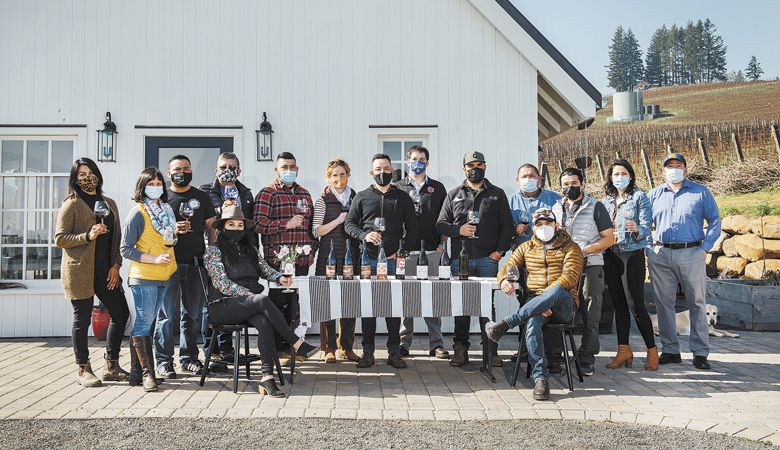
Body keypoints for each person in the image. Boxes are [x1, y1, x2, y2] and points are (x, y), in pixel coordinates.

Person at [204, 203, 319, 397]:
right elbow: (222, 284)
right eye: (231, 225)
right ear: (223, 228)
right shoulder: (214, 251)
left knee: (264, 320)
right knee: (262, 301)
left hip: (249, 305)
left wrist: (279, 277)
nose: (236, 229)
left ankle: (267, 377)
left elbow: (265, 269)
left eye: (240, 226)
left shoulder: (250, 250)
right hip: (222, 305)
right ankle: (296, 343)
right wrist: (250, 296)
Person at [485, 209, 584, 401]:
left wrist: (547, 300)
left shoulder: (571, 247)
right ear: (533, 227)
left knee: (554, 292)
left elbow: (570, 277)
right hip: (536, 303)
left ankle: (507, 323)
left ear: (556, 226)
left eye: (548, 223)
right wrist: (504, 279)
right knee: (531, 325)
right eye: (539, 224)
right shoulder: (526, 247)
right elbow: (508, 266)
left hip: (563, 303)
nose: (543, 227)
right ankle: (541, 379)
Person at [55, 158, 130, 387]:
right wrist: (87, 236)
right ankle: (83, 368)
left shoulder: (110, 203)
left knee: (120, 314)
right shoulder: (71, 204)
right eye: (81, 175)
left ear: (97, 174)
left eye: (90, 172)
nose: (87, 178)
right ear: (75, 180)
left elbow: (117, 238)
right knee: (82, 319)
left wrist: (116, 266)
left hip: (107, 271)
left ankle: (112, 365)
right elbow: (59, 239)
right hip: (80, 272)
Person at [436, 151, 514, 367]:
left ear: (485, 167)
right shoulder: (453, 194)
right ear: (464, 168)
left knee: (487, 307)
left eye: (479, 164)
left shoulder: (496, 194)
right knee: (462, 307)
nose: (475, 168)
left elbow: (507, 226)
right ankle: (460, 350)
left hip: (488, 260)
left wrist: (499, 252)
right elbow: (441, 224)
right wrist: (458, 230)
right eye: (471, 165)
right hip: (460, 261)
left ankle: (491, 351)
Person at [344, 153, 418, 369]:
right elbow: (349, 225)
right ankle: (368, 353)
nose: (383, 173)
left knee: (393, 308)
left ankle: (394, 352)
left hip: (394, 261)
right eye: (378, 169)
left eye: (386, 169)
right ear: (371, 172)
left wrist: (403, 251)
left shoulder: (402, 197)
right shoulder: (362, 197)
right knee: (369, 308)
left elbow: (413, 228)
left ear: (392, 171)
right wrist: (364, 236)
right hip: (368, 261)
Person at [648, 153, 721, 370]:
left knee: (697, 303)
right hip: (661, 254)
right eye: (669, 166)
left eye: (678, 165)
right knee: (663, 304)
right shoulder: (654, 195)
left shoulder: (700, 192)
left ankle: (700, 353)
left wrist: (705, 248)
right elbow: (643, 224)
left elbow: (715, 220)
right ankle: (670, 350)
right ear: (662, 171)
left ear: (685, 170)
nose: (673, 169)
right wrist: (647, 249)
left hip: (692, 252)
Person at [154, 155, 217, 379]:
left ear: (191, 171)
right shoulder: (161, 198)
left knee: (191, 314)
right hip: (167, 264)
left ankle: (189, 358)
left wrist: (212, 250)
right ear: (169, 173)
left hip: (195, 263)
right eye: (177, 169)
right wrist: (172, 230)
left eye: (186, 168)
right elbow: (152, 232)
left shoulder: (201, 196)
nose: (182, 172)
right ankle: (163, 361)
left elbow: (212, 226)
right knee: (166, 315)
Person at [254, 152, 318, 362]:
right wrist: (285, 224)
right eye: (284, 167)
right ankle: (275, 349)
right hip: (278, 262)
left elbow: (311, 228)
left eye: (292, 167)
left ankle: (291, 348)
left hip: (300, 261)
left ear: (297, 169)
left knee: (296, 304)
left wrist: (312, 250)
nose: (288, 171)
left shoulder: (305, 194)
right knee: (277, 305)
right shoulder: (267, 194)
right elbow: (259, 226)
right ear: (277, 170)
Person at [121, 167, 179, 392]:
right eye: (151, 184)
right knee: (145, 322)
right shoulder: (137, 212)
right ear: (142, 187)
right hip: (144, 276)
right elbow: (126, 249)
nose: (156, 187)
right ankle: (148, 375)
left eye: (158, 184)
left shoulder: (166, 210)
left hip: (164, 275)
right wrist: (153, 259)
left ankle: (136, 373)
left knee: (150, 323)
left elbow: (166, 241)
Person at [551, 167, 614, 376]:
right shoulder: (556, 207)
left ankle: (587, 357)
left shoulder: (596, 207)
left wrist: (583, 251)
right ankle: (556, 355)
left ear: (582, 184)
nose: (570, 188)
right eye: (566, 185)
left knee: (590, 313)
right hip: (564, 268)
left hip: (590, 265)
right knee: (560, 312)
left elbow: (609, 238)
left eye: (574, 184)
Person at [199, 152, 255, 368]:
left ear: (238, 170)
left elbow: (250, 227)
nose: (226, 170)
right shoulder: (206, 192)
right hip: (214, 254)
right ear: (216, 170)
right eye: (222, 167)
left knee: (232, 300)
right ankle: (211, 353)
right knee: (212, 303)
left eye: (231, 167)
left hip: (238, 256)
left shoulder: (246, 193)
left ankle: (227, 350)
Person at [393, 145, 449, 360]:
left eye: (422, 159)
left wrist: (442, 244)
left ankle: (437, 344)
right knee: (406, 299)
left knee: (432, 298)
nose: (418, 162)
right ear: (408, 162)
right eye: (414, 158)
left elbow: (445, 218)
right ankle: (403, 343)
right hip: (405, 252)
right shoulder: (398, 187)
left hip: (432, 250)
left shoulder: (438, 188)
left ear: (428, 162)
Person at [602, 160, 658, 371]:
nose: (619, 177)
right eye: (615, 173)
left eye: (623, 173)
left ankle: (652, 350)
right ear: (610, 177)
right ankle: (623, 350)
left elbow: (646, 227)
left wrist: (637, 228)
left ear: (631, 175)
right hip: (610, 254)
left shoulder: (639, 197)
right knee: (619, 304)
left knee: (636, 304)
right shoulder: (607, 200)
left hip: (631, 254)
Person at [509, 163, 564, 372]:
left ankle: (553, 354)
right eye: (524, 176)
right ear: (517, 180)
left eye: (532, 175)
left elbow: (561, 227)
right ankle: (526, 349)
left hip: (551, 263)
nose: (528, 178)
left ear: (540, 178)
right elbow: (505, 229)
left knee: (552, 306)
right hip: (524, 262)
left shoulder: (554, 199)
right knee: (525, 305)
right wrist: (515, 230)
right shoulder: (512, 201)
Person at [312, 158, 360, 363]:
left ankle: (347, 347)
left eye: (342, 174)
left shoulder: (356, 197)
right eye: (334, 175)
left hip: (350, 255)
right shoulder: (323, 199)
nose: (338, 178)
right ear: (328, 177)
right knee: (327, 303)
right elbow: (316, 231)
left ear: (348, 175)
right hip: (328, 255)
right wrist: (338, 220)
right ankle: (329, 348)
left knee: (349, 302)